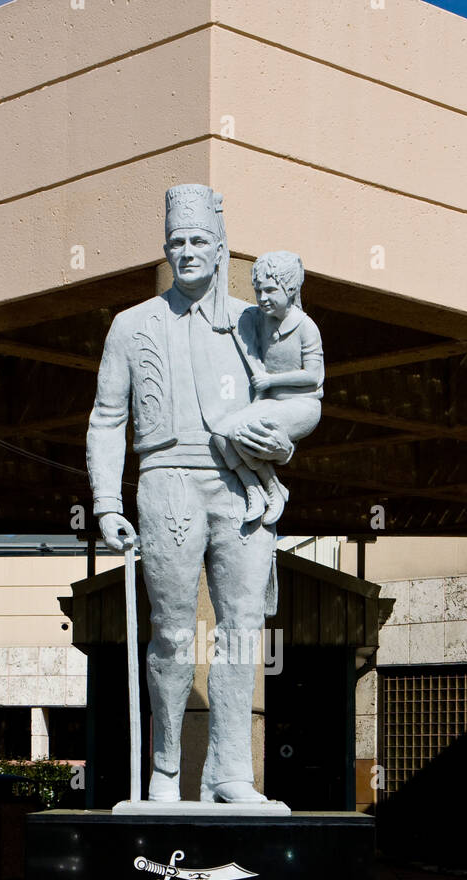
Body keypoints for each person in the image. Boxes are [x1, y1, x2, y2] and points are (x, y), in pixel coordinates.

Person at [86, 185, 303, 804]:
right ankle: (165, 770)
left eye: (198, 241)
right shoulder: (132, 326)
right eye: (176, 242)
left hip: (242, 484)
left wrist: (280, 440)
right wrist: (106, 502)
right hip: (166, 482)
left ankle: (231, 771)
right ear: (165, 248)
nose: (187, 252)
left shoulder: (255, 322)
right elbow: (107, 419)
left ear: (220, 248)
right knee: (174, 634)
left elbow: (294, 399)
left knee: (241, 630)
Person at [212, 251, 324, 524]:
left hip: (301, 405)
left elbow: (312, 375)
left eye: (271, 290)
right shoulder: (261, 319)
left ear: (291, 289)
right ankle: (256, 487)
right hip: (269, 403)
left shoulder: (306, 327)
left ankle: (273, 491)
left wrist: (270, 380)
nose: (262, 298)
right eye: (258, 290)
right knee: (219, 432)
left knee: (244, 434)